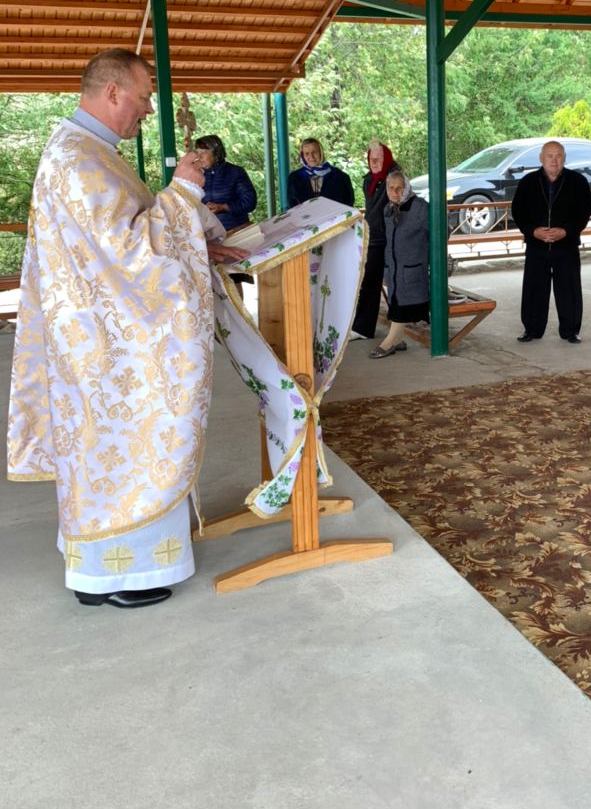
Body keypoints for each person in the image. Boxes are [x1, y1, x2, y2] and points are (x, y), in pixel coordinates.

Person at [7, 49, 246, 610]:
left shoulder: (87, 151)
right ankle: (115, 576)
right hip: (107, 351)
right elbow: (130, 252)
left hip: (99, 340)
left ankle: (101, 573)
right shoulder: (78, 160)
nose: (148, 109)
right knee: (121, 452)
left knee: (106, 456)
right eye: (143, 97)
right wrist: (183, 191)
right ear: (112, 91)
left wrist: (195, 243)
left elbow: (125, 238)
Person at [510, 140, 591, 344]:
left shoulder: (578, 181)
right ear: (541, 158)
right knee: (534, 289)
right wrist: (533, 231)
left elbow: (584, 212)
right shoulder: (528, 181)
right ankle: (532, 329)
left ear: (564, 158)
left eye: (558, 156)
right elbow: (518, 212)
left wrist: (566, 231)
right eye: (550, 156)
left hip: (566, 245)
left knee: (569, 290)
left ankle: (570, 331)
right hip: (537, 245)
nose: (554, 160)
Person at [371, 168, 429, 359]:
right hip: (394, 270)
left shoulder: (420, 207)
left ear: (407, 188)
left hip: (412, 269)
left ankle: (391, 340)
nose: (395, 192)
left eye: (399, 188)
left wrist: (426, 256)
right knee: (395, 303)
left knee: (401, 307)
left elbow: (440, 233)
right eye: (391, 188)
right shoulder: (388, 209)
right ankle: (398, 339)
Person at [352, 139, 396, 339]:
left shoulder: (394, 177)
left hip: (390, 236)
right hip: (374, 235)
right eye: (372, 159)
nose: (375, 162)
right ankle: (363, 327)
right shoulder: (370, 179)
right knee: (368, 280)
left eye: (379, 159)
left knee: (381, 280)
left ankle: (369, 328)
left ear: (387, 159)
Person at [195, 133, 257, 232]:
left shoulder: (235, 172)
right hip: (206, 233)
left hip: (235, 230)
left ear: (216, 153)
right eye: (197, 152)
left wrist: (223, 207)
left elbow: (250, 202)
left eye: (204, 152)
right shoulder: (195, 175)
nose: (199, 156)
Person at [286, 137, 354, 209]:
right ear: (303, 156)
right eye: (307, 153)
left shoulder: (341, 177)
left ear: (321, 153)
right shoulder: (294, 178)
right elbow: (292, 207)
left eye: (314, 152)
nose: (311, 156)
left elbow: (348, 205)